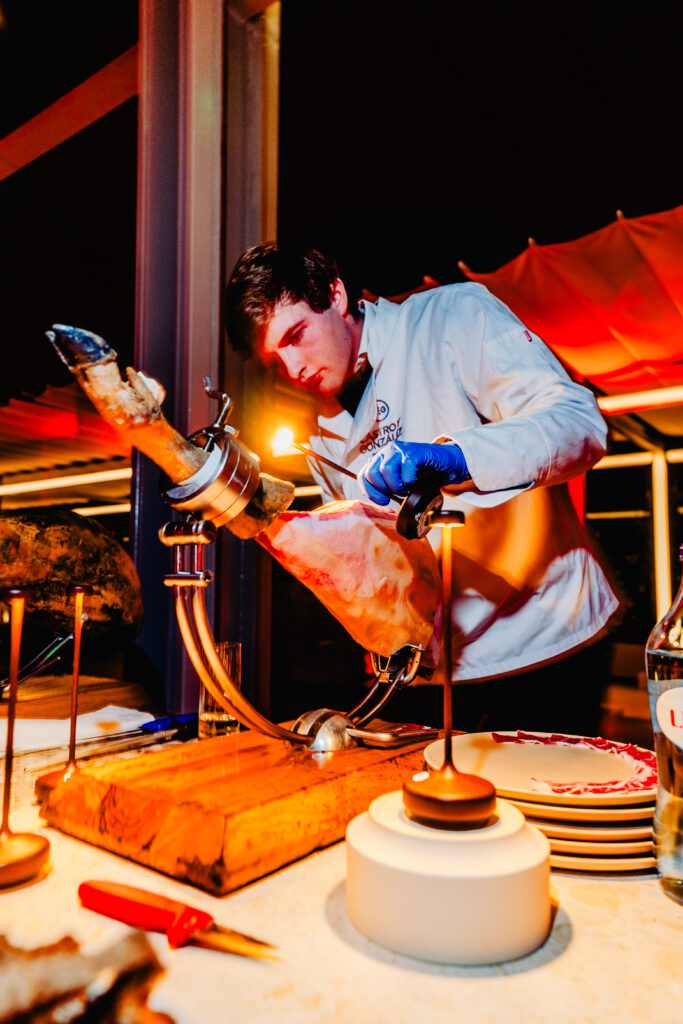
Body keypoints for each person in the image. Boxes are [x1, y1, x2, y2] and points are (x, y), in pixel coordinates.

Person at [225, 242, 619, 735]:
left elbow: (578, 424)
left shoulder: (451, 317)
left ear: (336, 294)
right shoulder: (316, 428)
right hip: (428, 672)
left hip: (543, 639)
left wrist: (458, 458)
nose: (293, 369)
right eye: (275, 362)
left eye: (297, 335)